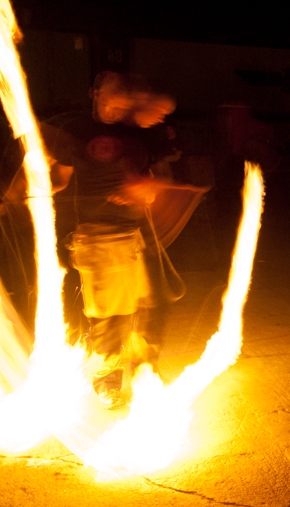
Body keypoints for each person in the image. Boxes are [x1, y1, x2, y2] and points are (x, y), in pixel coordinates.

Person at [36, 71, 184, 407]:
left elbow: (151, 178)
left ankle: (145, 370)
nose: (116, 109)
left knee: (153, 304)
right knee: (110, 315)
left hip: (135, 234)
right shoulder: (76, 130)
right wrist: (33, 188)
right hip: (97, 235)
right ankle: (107, 379)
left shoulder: (138, 134)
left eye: (123, 103)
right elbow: (60, 177)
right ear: (95, 94)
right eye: (110, 101)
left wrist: (147, 191)